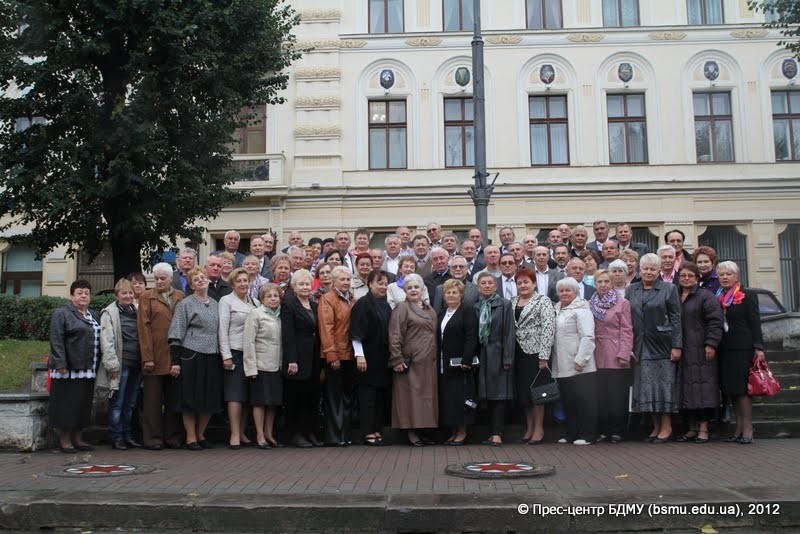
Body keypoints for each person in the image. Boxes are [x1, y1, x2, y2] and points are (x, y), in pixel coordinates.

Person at [626, 253, 683, 443]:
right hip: (640, 346)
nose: (648, 272)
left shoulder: (669, 289)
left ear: (659, 271)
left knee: (663, 387)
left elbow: (676, 318)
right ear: (639, 271)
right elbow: (627, 319)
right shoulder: (631, 289)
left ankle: (666, 427)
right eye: (645, 268)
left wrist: (677, 345)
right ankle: (655, 426)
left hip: (662, 345)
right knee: (646, 388)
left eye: (652, 269)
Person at [168, 267, 223, 450]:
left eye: (202, 278)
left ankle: (201, 434)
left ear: (208, 280)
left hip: (212, 356)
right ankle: (191, 437)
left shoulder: (216, 304)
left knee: (209, 398)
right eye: (195, 280)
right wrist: (175, 361)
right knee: (190, 399)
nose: (200, 281)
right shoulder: (185, 304)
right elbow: (176, 332)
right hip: (191, 355)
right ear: (191, 285)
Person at [716, 261, 765, 444]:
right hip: (724, 348)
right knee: (731, 389)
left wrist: (759, 346)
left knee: (743, 389)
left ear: (736, 276)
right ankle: (737, 428)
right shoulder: (718, 295)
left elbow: (755, 322)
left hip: (742, 347)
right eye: (721, 274)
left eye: (729, 274)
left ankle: (747, 427)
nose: (725, 277)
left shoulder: (747, 295)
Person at [138, 263, 186, 450]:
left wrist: (179, 358)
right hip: (155, 356)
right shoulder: (146, 297)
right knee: (152, 400)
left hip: (174, 356)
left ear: (170, 279)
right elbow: (144, 328)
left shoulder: (179, 296)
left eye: (162, 278)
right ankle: (153, 438)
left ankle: (173, 437)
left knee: (174, 399)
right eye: (156, 278)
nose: (158, 281)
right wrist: (147, 357)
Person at [48, 280, 99, 453]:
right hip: (68, 369)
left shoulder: (93, 314)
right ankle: (65, 439)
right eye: (80, 293)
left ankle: (78, 437)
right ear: (72, 295)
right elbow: (56, 339)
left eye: (86, 293)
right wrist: (61, 363)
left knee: (82, 404)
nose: (84, 295)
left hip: (88, 368)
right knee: (67, 405)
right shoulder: (61, 313)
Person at [676, 262, 724, 444]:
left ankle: (704, 428)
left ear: (697, 278)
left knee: (704, 389)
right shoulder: (676, 295)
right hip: (684, 350)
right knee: (687, 389)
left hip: (702, 350)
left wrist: (711, 343)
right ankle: (692, 427)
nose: (686, 279)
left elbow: (715, 321)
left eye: (690, 276)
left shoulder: (706, 296)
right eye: (683, 276)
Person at [388, 273, 439, 446]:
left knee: (426, 398)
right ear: (405, 291)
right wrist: (396, 358)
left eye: (416, 287)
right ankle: (411, 431)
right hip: (411, 361)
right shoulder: (402, 308)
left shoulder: (429, 309)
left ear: (422, 288)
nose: (413, 290)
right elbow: (395, 334)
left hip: (429, 361)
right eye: (409, 288)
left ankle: (424, 430)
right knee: (411, 398)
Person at [511, 269, 555, 445]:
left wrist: (544, 356)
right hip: (518, 353)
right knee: (524, 394)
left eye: (526, 282)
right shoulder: (513, 301)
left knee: (538, 393)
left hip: (536, 353)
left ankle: (539, 429)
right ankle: (529, 428)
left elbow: (548, 328)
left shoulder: (543, 301)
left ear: (534, 283)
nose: (522, 285)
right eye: (519, 282)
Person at [552, 277, 598, 445]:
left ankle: (588, 434)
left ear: (575, 292)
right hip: (561, 364)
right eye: (561, 290)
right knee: (569, 401)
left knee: (584, 401)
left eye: (568, 290)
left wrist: (581, 360)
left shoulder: (582, 309)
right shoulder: (556, 309)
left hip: (579, 365)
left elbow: (588, 337)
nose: (564, 293)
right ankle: (571, 433)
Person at [99, 278, 143, 450]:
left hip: (136, 363)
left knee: (130, 404)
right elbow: (107, 341)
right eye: (124, 293)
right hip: (120, 365)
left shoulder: (137, 311)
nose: (128, 296)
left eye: (130, 293)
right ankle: (116, 437)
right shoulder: (109, 313)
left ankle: (127, 434)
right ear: (117, 295)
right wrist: (112, 366)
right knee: (117, 403)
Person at [590, 270, 633, 444]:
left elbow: (627, 329)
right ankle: (604, 430)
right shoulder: (589, 303)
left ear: (612, 283)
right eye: (600, 281)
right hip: (596, 355)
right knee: (601, 396)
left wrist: (624, 353)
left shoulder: (623, 303)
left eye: (607, 281)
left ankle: (617, 431)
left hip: (615, 354)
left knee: (616, 395)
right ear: (595, 284)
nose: (604, 285)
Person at [351, 270, 393, 446]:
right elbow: (356, 332)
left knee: (380, 396)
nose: (383, 287)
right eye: (379, 283)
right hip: (367, 357)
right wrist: (359, 355)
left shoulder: (385, 305)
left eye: (385, 283)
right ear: (370, 284)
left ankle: (377, 429)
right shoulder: (363, 304)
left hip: (383, 358)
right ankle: (368, 431)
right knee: (368, 397)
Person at [281, 269, 323, 448]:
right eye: (301, 284)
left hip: (313, 356)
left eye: (307, 284)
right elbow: (288, 333)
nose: (305, 287)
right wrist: (292, 359)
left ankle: (309, 431)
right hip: (297, 357)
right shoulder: (289, 304)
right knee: (296, 398)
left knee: (311, 397)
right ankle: (295, 433)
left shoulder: (314, 305)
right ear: (294, 287)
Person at [474, 272, 515, 446]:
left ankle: (497, 433)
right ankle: (490, 433)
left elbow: (509, 333)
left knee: (498, 395)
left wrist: (507, 358)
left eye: (490, 283)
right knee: (485, 396)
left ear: (496, 286)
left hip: (498, 354)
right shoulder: (474, 306)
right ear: (478, 287)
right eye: (483, 283)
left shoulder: (504, 305)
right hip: (481, 355)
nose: (487, 286)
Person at [437, 279, 479, 446]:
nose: (451, 295)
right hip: (444, 362)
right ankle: (453, 431)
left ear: (461, 295)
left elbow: (471, 336)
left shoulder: (467, 310)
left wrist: (467, 359)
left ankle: (462, 432)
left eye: (455, 292)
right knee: (449, 398)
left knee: (461, 396)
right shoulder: (441, 313)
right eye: (448, 292)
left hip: (461, 363)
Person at [243, 283, 285, 449]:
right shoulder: (256, 314)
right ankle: (260, 435)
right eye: (269, 296)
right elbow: (249, 342)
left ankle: (269, 434)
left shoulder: (281, 315)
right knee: (260, 402)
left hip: (277, 365)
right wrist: (251, 367)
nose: (273, 299)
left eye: (275, 296)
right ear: (262, 299)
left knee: (273, 402)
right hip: (260, 364)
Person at [318, 266, 356, 446]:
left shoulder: (352, 299)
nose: (346, 282)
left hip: (351, 354)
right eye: (342, 279)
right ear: (333, 281)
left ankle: (345, 434)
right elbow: (326, 328)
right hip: (336, 354)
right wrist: (331, 355)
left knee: (347, 397)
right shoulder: (328, 299)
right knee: (334, 398)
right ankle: (335, 436)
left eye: (348, 279)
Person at [219, 267, 256, 449]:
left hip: (252, 354)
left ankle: (242, 432)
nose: (243, 284)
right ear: (233, 284)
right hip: (234, 352)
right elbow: (222, 330)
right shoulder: (226, 301)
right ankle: (233, 434)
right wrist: (226, 355)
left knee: (247, 396)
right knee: (235, 395)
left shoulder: (254, 302)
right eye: (239, 281)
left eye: (245, 280)